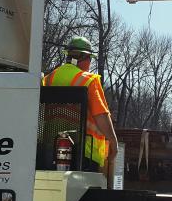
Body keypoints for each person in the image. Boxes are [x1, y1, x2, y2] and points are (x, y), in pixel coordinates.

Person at [41, 36, 119, 180]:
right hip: (84, 155)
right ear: (85, 58)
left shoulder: (48, 79)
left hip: (48, 152)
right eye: (90, 59)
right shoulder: (89, 80)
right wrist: (113, 142)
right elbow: (101, 115)